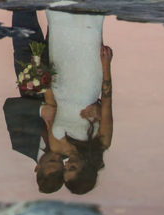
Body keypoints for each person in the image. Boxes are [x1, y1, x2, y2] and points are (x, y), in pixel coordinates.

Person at [36, 11, 113, 195]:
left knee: (58, 23)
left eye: (66, 169)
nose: (66, 165)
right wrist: (106, 66)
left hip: (61, 83)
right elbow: (108, 104)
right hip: (87, 81)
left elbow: (52, 106)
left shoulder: (56, 147)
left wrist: (43, 78)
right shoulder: (102, 143)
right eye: (72, 168)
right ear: (86, 170)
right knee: (88, 29)